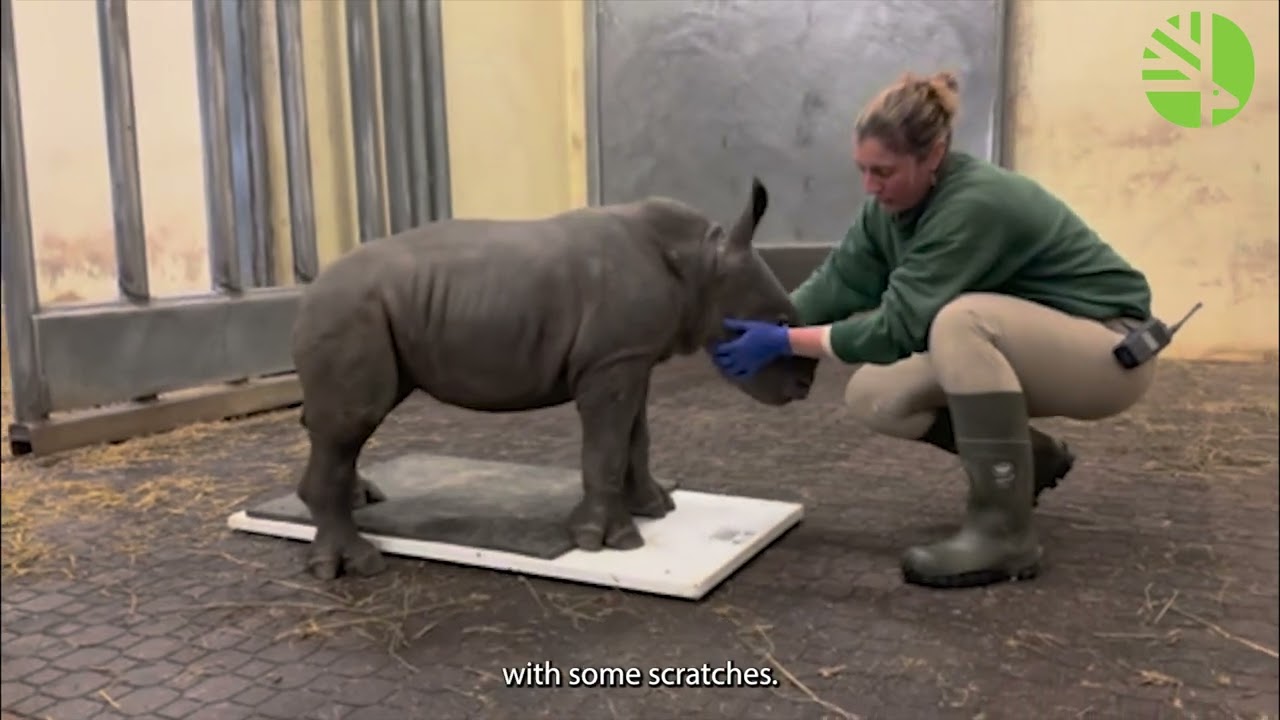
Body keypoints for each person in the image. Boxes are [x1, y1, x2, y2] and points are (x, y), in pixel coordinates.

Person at [712, 70, 1159, 590]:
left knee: (959, 322)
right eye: (862, 169)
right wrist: (770, 321)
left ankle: (1003, 533)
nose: (870, 187)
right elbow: (839, 282)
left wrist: (786, 342)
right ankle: (1030, 462)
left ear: (934, 155)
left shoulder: (974, 204)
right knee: (876, 394)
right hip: (1038, 345)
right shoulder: (889, 209)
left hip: (1110, 351)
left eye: (884, 171)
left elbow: (897, 329)